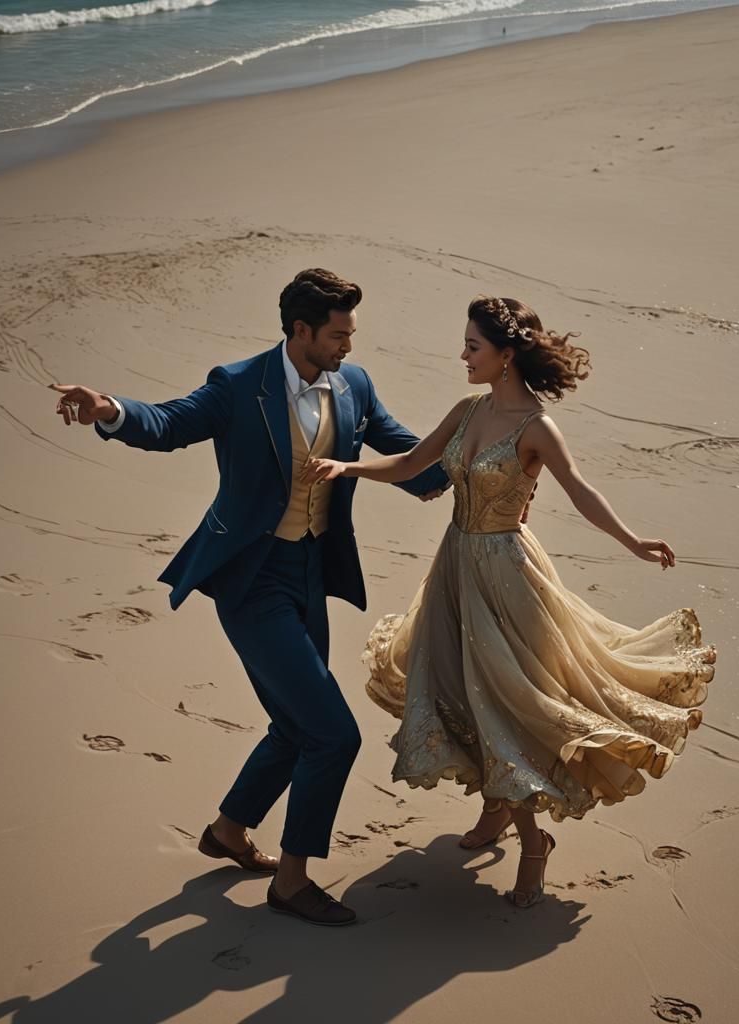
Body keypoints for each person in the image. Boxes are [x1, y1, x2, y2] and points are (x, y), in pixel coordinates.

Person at [50, 269, 449, 927]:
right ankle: (291, 884)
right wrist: (109, 410)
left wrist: (465, 466)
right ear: (301, 331)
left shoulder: (354, 384)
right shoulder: (239, 385)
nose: (349, 345)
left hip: (310, 574)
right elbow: (168, 422)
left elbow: (403, 449)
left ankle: (229, 831)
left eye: (351, 332)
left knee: (295, 726)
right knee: (333, 734)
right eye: (338, 334)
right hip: (250, 579)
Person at [300, 295, 716, 908]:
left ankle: (533, 843)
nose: (462, 355)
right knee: (463, 689)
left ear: (506, 354)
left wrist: (631, 540)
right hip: (455, 567)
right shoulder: (468, 409)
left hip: (508, 573)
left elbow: (579, 491)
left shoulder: (537, 426)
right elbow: (416, 463)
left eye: (473, 346)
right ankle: (497, 810)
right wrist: (347, 468)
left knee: (510, 702)